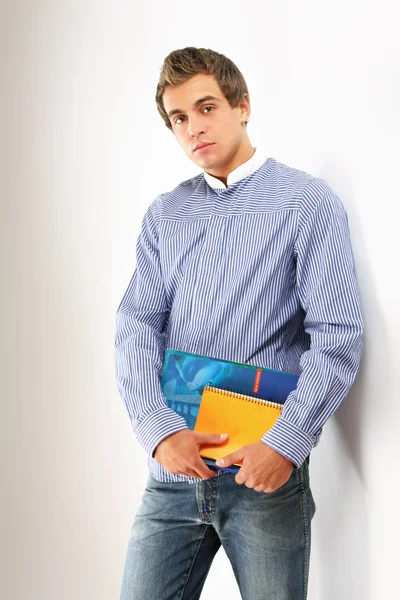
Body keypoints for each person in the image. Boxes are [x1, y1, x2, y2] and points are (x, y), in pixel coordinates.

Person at [114, 46, 364, 600]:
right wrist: (157, 434)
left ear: (242, 105)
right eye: (178, 118)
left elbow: (337, 338)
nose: (193, 128)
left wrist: (287, 442)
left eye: (206, 108)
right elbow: (135, 324)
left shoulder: (306, 202)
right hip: (175, 476)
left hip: (265, 476)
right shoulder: (165, 215)